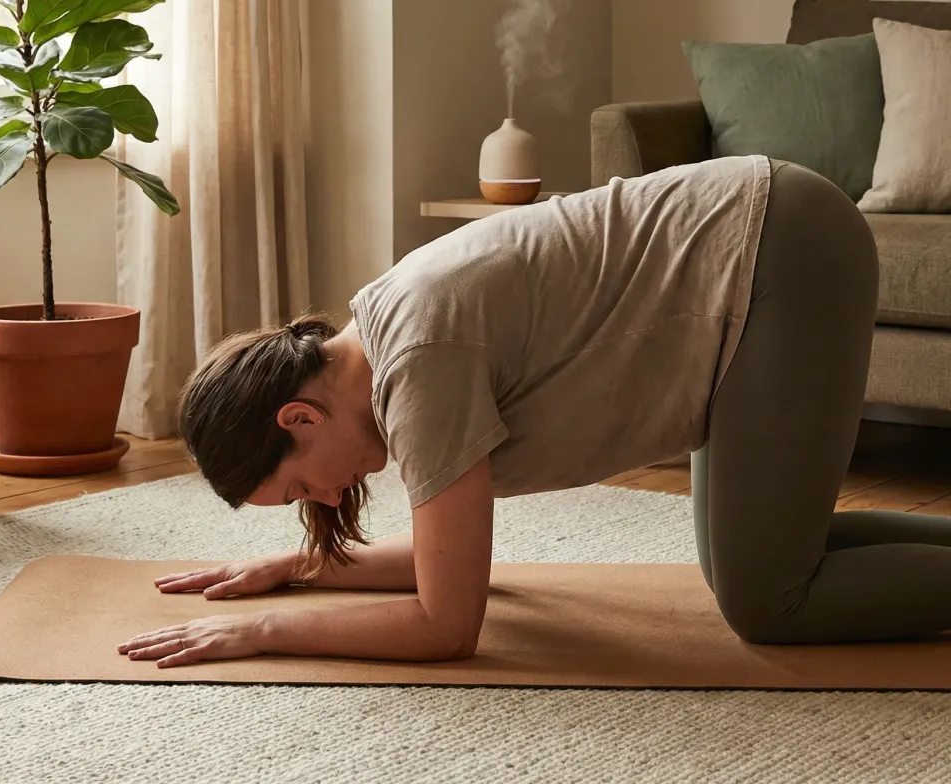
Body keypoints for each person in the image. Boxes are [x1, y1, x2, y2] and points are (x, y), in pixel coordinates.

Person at [118, 156, 951, 670]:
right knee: (754, 564)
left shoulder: (414, 368)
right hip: (761, 251)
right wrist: (293, 570)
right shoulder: (375, 350)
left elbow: (448, 623)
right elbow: (451, 560)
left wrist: (266, 631)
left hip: (777, 254)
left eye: (301, 489)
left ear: (297, 418)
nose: (326, 503)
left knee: (769, 601)